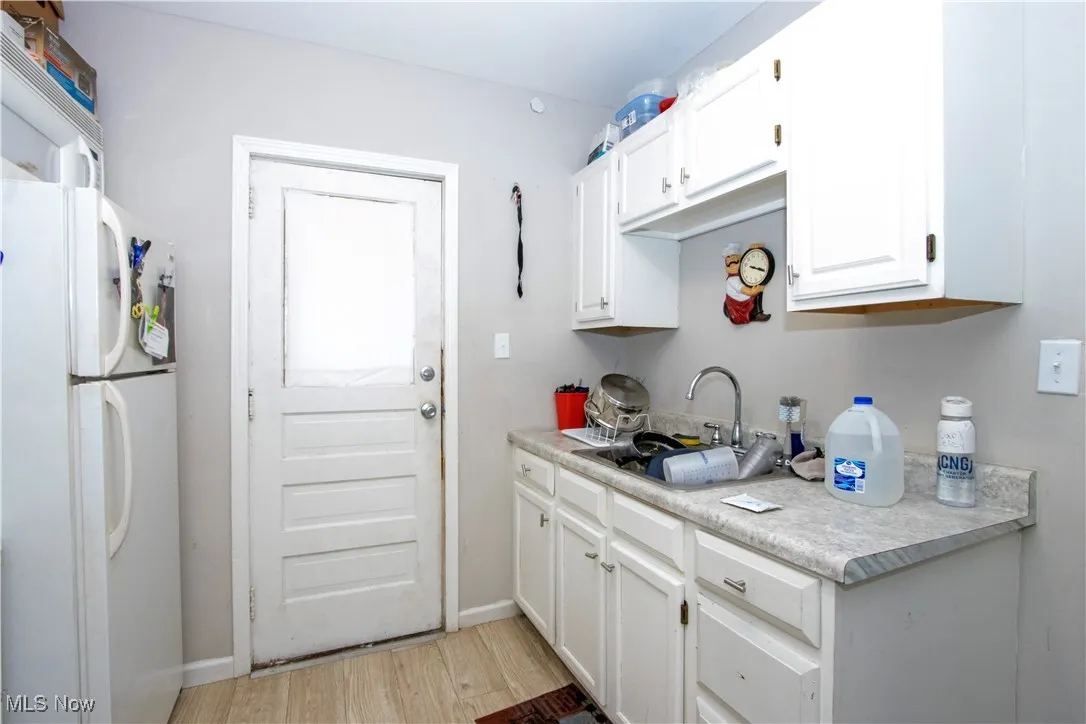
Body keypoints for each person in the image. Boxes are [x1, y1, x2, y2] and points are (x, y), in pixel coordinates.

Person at [722, 243, 766, 324]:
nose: (732, 266)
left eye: (735, 261)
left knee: (756, 288)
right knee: (757, 292)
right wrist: (753, 291)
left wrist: (755, 250)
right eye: (729, 263)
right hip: (737, 306)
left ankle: (756, 313)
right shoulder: (732, 280)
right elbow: (744, 290)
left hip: (743, 300)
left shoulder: (743, 274)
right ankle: (757, 313)